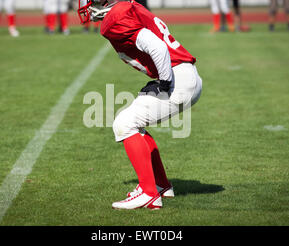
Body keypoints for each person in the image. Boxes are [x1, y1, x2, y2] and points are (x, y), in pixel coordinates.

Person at [78, 0, 202, 210]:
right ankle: (160, 185)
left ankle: (149, 193)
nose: (86, 5)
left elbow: (156, 46)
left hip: (177, 79)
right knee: (134, 122)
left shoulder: (116, 17)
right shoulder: (127, 8)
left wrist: (163, 83)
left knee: (124, 124)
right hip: (183, 74)